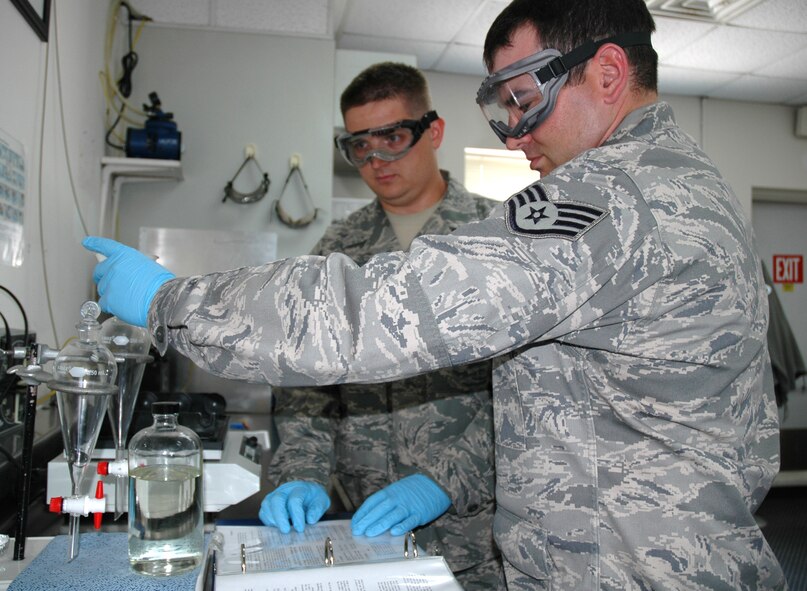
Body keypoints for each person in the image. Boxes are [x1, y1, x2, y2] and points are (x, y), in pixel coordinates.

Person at [83, 0, 786, 588]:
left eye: (524, 100)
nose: (515, 136)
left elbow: (381, 314)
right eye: (501, 110)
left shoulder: (613, 197)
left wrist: (170, 301)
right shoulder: (683, 186)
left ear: (607, 72)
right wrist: (302, 470)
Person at [261, 62, 503, 590]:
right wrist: (302, 469)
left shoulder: (496, 240)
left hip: (476, 540)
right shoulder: (336, 250)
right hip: (361, 533)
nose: (376, 159)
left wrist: (447, 478)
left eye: (392, 137)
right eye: (359, 146)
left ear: (432, 130)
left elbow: (536, 392)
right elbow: (306, 378)